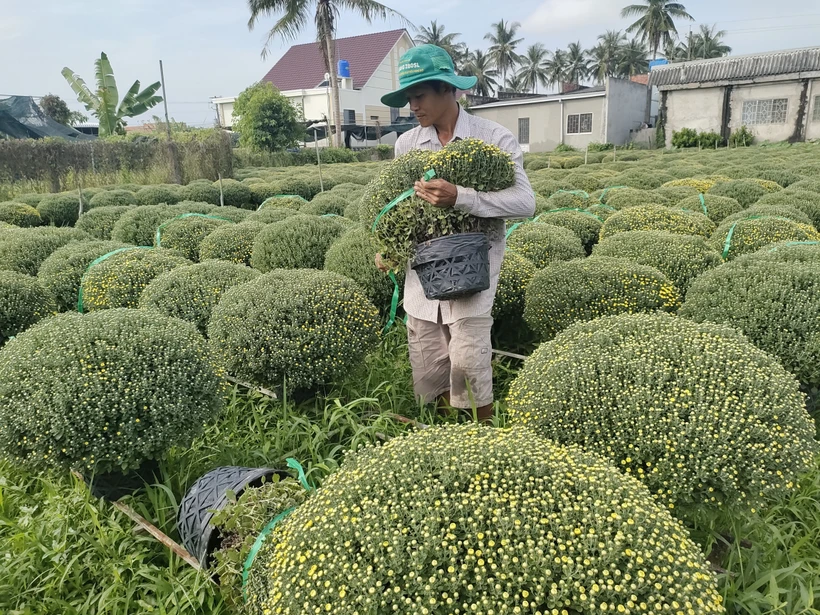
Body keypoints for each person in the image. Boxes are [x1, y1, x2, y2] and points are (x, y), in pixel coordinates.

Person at [375, 44, 536, 423]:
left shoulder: (491, 138)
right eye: (408, 98)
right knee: (432, 362)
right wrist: (392, 247)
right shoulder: (407, 144)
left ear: (448, 89)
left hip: (472, 272)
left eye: (420, 95)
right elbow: (403, 206)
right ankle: (450, 433)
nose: (412, 106)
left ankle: (483, 436)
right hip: (423, 276)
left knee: (468, 360)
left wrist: (461, 197)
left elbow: (525, 203)